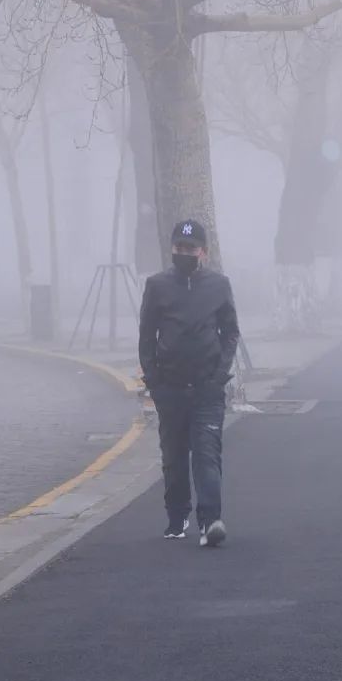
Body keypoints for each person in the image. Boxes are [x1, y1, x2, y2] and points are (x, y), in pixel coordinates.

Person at [138, 219, 240, 546]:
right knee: (174, 455)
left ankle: (211, 521)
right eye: (179, 248)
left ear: (204, 252)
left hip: (208, 388)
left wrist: (219, 375)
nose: (185, 253)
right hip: (170, 388)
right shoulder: (157, 286)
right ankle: (176, 515)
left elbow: (230, 332)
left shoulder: (219, 286)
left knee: (207, 454)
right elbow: (146, 337)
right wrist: (154, 380)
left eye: (191, 248)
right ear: (172, 250)